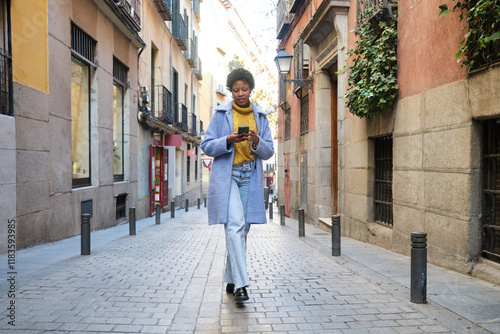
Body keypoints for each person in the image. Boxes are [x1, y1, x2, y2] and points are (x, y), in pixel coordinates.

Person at [200, 68, 274, 302]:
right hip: (227, 177)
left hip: (249, 177)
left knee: (243, 229)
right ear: (231, 91)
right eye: (235, 90)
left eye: (244, 89)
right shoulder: (221, 114)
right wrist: (228, 140)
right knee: (234, 225)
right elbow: (207, 145)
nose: (240, 93)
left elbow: (269, 151)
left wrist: (256, 141)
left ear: (251, 89)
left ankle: (231, 279)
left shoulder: (260, 117)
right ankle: (242, 284)